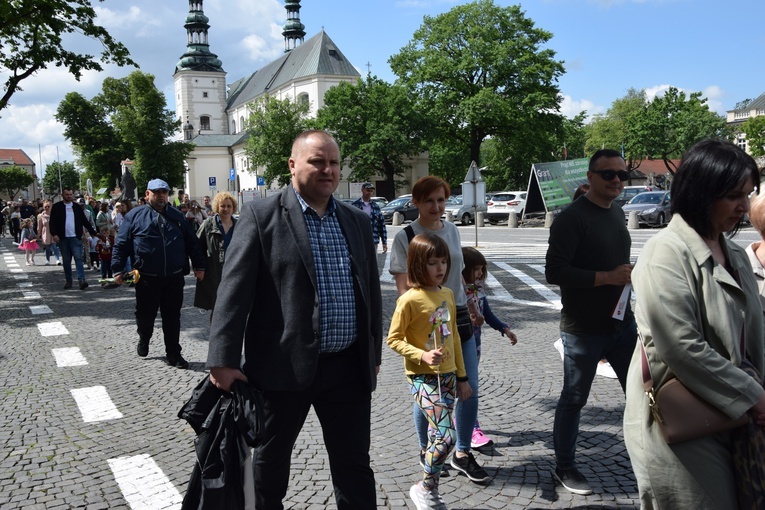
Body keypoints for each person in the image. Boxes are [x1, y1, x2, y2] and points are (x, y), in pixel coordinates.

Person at [206, 130, 382, 509]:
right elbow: (232, 292)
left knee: (354, 466)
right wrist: (221, 359)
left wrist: (373, 351)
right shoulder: (260, 215)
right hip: (282, 369)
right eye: (317, 161)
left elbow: (369, 292)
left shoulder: (356, 220)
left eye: (334, 162)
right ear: (292, 165)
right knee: (269, 468)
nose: (328, 170)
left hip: (348, 368)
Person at [623, 139, 765, 508]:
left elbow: (752, 333)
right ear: (702, 191)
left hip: (736, 413)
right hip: (684, 423)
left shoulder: (734, 252)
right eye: (734, 195)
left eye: (748, 194)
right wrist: (754, 396)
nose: (743, 207)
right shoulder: (664, 251)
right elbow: (679, 345)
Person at [545, 148, 637, 495]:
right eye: (608, 174)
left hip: (622, 324)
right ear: (591, 177)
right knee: (574, 399)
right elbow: (555, 272)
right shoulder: (571, 218)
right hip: (583, 330)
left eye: (622, 175)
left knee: (643, 392)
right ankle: (564, 467)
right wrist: (607, 277)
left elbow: (616, 263)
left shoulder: (617, 212)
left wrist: (627, 277)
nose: (616, 180)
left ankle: (650, 454)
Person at [389, 175, 490, 484]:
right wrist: (418, 328)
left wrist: (472, 307)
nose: (436, 206)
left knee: (467, 385)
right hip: (427, 321)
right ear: (416, 203)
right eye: (429, 200)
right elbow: (403, 288)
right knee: (430, 390)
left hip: (458, 313)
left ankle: (461, 453)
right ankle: (426, 448)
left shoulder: (453, 230)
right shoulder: (406, 236)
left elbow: (458, 274)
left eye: (441, 200)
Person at [387, 232, 471, 510]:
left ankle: (428, 487)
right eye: (433, 263)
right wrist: (422, 354)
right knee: (448, 436)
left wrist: (462, 376)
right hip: (421, 377)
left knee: (440, 436)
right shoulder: (409, 299)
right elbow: (393, 339)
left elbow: (455, 337)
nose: (440, 269)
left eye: (444, 262)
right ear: (417, 265)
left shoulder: (447, 293)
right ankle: (425, 487)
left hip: (447, 376)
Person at [111, 178, 206, 369]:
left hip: (174, 276)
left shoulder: (177, 216)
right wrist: (117, 269)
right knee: (145, 315)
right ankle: (144, 337)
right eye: (156, 193)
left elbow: (192, 243)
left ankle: (174, 354)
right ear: (147, 194)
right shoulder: (135, 216)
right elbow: (121, 244)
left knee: (172, 317)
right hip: (147, 278)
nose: (161, 196)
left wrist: (199, 266)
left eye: (164, 192)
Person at [461, 247, 518, 448]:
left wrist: (504, 329)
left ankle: (468, 425)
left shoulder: (479, 291)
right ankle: (468, 427)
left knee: (470, 387)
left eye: (481, 269)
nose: (479, 274)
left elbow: (489, 315)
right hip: (458, 349)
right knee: (465, 388)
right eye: (475, 269)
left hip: (474, 348)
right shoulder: (456, 293)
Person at [193, 192, 237, 318]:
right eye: (223, 206)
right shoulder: (208, 225)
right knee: (216, 307)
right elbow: (197, 247)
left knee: (234, 306)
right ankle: (216, 336)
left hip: (234, 272)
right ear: (217, 207)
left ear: (233, 207)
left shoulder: (239, 226)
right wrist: (199, 268)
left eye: (229, 206)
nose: (226, 209)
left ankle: (232, 336)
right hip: (214, 273)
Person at [50, 187, 98, 289]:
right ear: (62, 195)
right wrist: (54, 234)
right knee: (67, 261)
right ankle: (69, 280)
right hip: (63, 238)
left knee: (78, 258)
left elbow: (85, 221)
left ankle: (81, 280)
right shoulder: (57, 207)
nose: (69, 196)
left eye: (71, 194)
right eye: (67, 194)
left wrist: (93, 232)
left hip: (75, 237)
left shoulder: (76, 207)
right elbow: (52, 222)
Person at [352, 182, 388, 253]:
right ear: (362, 190)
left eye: (371, 191)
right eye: (368, 190)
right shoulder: (355, 206)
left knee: (373, 263)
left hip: (373, 240)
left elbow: (381, 225)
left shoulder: (375, 206)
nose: (369, 193)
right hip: (359, 241)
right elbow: (350, 225)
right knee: (360, 263)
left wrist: (384, 242)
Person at [37, 201, 61, 265]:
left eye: (48, 206)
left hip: (54, 234)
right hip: (45, 234)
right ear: (43, 207)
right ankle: (47, 260)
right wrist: (38, 235)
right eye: (45, 206)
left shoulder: (55, 214)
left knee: (55, 247)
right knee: (47, 248)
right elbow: (39, 226)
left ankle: (57, 260)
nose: (47, 208)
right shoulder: (41, 216)